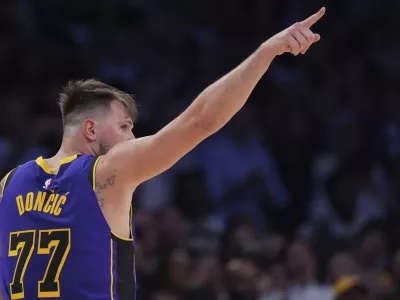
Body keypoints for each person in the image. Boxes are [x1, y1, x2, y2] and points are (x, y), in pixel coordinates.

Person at [0, 7, 325, 300]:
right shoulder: (103, 173)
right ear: (91, 130)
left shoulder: (9, 185)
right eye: (125, 127)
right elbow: (200, 121)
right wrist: (266, 52)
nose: (133, 137)